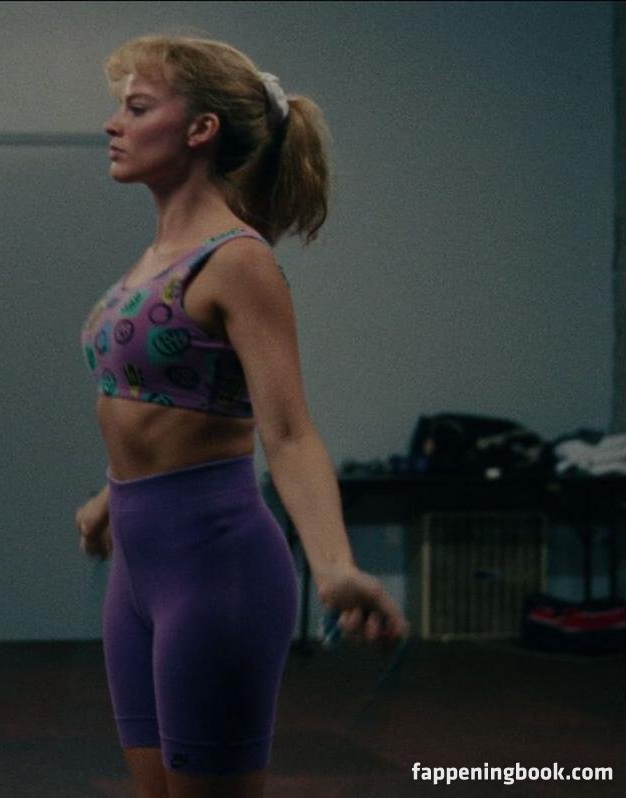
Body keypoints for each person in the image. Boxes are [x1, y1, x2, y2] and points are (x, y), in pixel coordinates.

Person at [74, 36, 409, 798]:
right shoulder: (152, 259)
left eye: (137, 108)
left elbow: (287, 432)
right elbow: (171, 400)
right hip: (136, 568)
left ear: (201, 129)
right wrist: (109, 497)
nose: (113, 125)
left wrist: (333, 564)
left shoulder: (237, 259)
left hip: (214, 571)